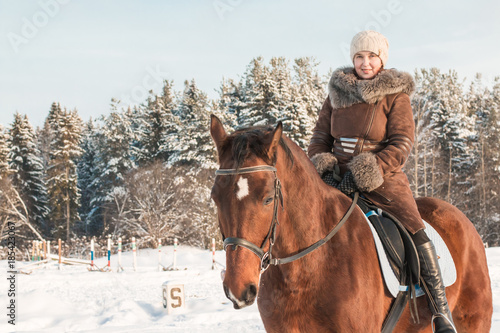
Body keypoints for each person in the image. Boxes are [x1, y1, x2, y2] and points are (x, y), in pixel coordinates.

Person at [307, 30, 456, 333]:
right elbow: (319, 139)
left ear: (382, 60)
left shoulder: (395, 95)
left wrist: (363, 174)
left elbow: (401, 143)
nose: (365, 62)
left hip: (382, 179)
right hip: (334, 179)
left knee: (415, 230)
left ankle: (441, 312)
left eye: (372, 56)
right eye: (359, 56)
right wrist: (325, 168)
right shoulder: (335, 94)